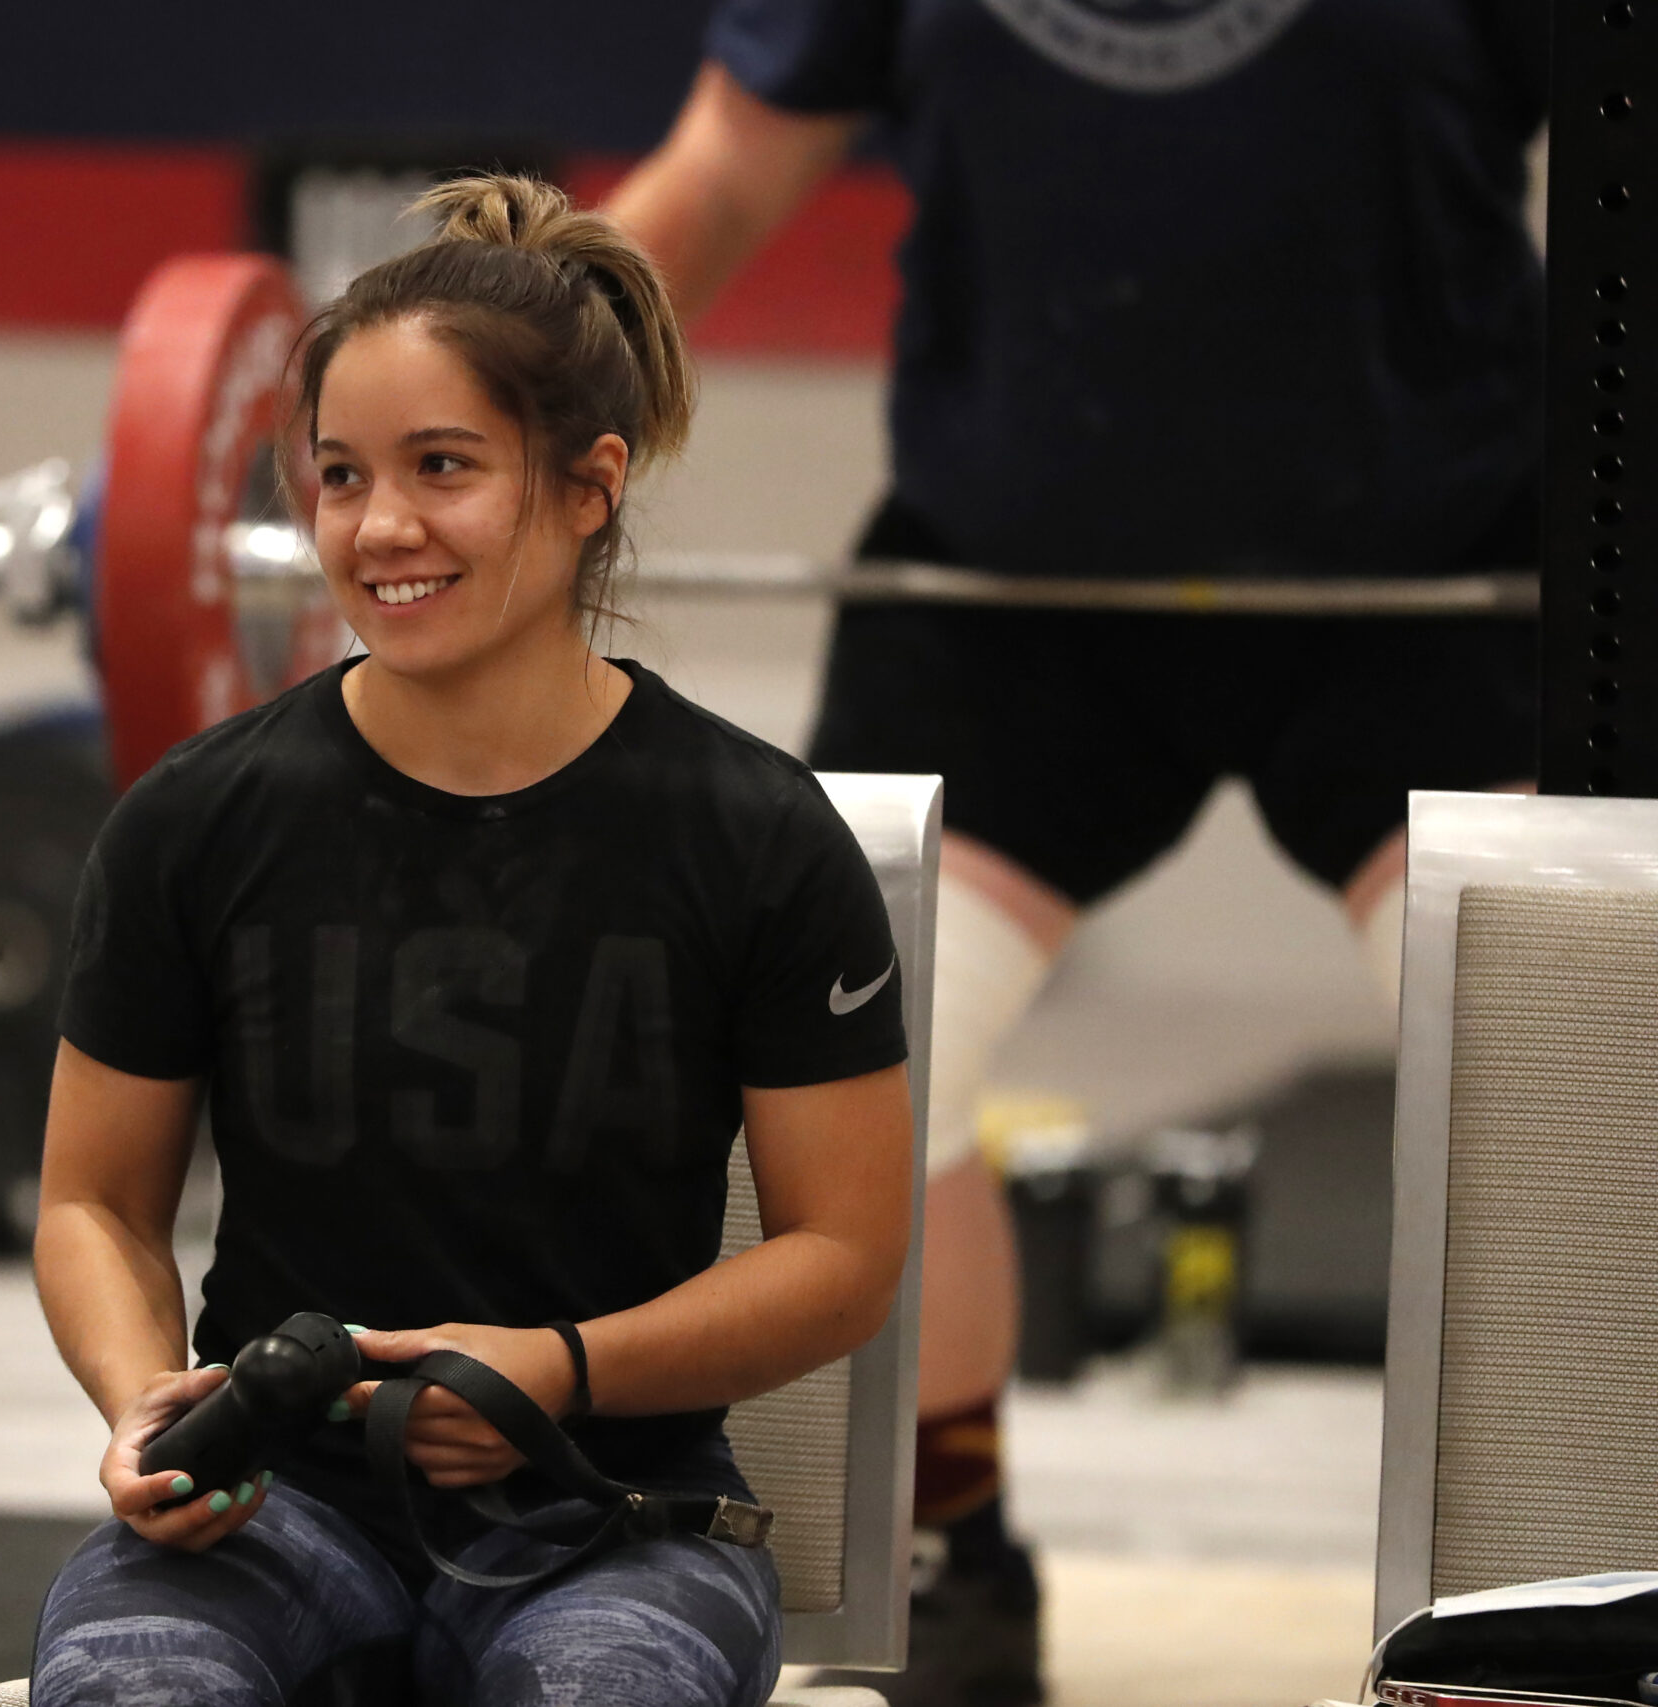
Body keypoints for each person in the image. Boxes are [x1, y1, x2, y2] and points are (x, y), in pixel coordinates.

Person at [606, 5, 1545, 1703]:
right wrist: (489, 419)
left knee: (1545, 1090)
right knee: (848, 1063)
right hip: (1015, 595)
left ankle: (1538, 1607)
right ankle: (948, 1551)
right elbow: (724, 182)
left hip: (1429, 583)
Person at [28, 174, 918, 1706]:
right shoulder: (194, 822)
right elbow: (93, 1204)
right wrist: (142, 1409)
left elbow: (843, 1256)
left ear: (589, 486)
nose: (380, 529)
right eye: (337, 476)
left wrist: (558, 1370)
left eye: (443, 467)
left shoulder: (754, 835)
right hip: (273, 1507)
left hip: (611, 1520)